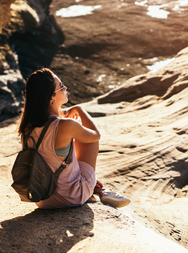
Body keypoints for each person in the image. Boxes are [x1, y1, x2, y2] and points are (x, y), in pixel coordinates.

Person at [17, 68, 130, 209]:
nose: (66, 88)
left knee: (61, 156)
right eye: (61, 87)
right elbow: (96, 134)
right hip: (71, 198)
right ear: (51, 97)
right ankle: (98, 190)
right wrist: (80, 110)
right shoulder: (65, 125)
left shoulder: (26, 127)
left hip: (42, 199)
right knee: (89, 139)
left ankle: (95, 188)